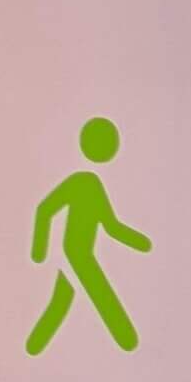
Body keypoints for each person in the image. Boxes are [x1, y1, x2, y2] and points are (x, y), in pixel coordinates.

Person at [26, 115, 151, 355]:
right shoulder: (81, 182)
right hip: (75, 254)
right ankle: (126, 339)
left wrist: (139, 242)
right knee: (102, 297)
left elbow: (111, 226)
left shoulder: (93, 184)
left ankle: (33, 347)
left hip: (80, 254)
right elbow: (45, 210)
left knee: (61, 301)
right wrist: (39, 251)